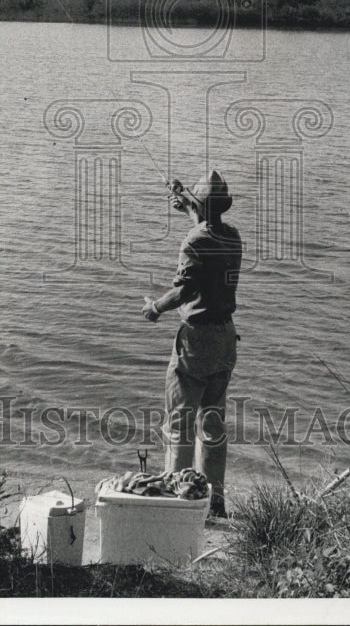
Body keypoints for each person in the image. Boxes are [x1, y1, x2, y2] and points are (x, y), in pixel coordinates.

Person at [141, 169, 242, 518]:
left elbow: (185, 291)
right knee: (212, 423)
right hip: (226, 339)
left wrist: (154, 308)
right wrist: (187, 204)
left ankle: (177, 500)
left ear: (200, 207)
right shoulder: (233, 237)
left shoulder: (193, 242)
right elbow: (207, 227)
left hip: (196, 342)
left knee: (178, 423)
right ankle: (214, 504)